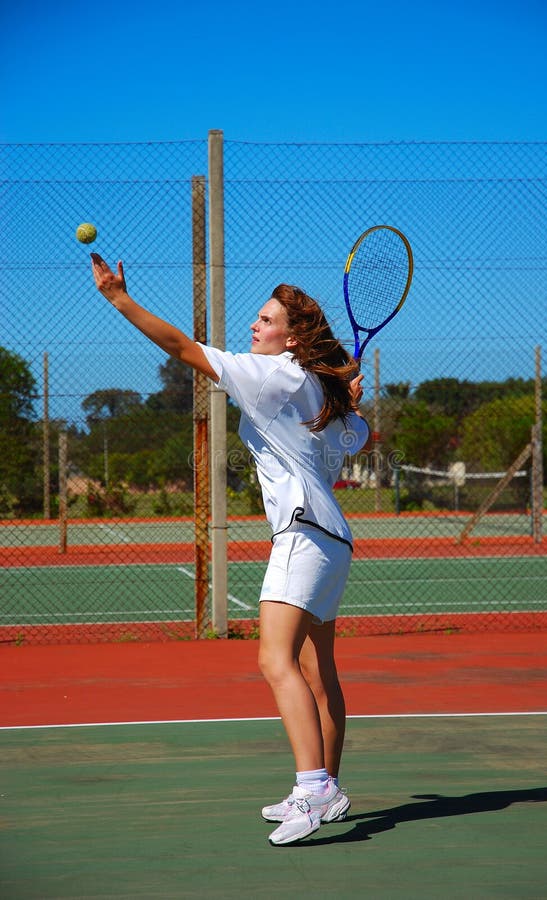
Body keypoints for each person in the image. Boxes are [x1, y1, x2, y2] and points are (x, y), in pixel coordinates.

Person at [90, 255, 370, 845]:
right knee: (320, 674)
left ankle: (314, 787)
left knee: (274, 660)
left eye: (264, 320)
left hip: (301, 534)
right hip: (335, 538)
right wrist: (348, 397)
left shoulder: (272, 375)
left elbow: (184, 348)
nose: (253, 326)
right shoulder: (321, 389)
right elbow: (361, 437)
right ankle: (329, 787)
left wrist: (119, 299)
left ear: (290, 336)